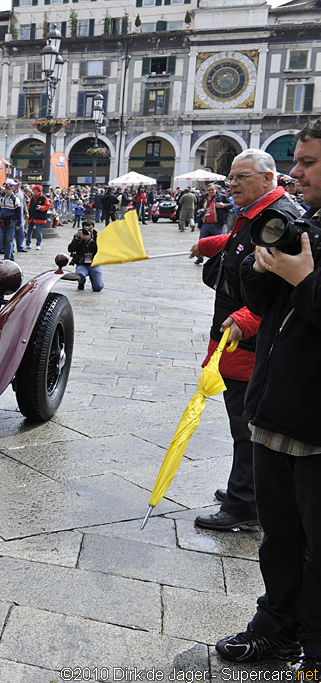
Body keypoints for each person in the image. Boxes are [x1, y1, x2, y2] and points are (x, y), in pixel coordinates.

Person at [214, 119, 321, 680]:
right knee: (279, 538)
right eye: (295, 160)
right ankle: (275, 629)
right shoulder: (307, 224)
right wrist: (266, 267)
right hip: (277, 408)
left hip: (314, 423)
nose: (295, 172)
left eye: (307, 163)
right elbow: (267, 304)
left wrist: (305, 279)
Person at [188, 148, 301, 532]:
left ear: (269, 179)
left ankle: (246, 503)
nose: (232, 183)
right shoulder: (255, 213)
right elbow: (245, 249)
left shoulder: (278, 218)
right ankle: (245, 486)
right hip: (234, 336)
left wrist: (244, 319)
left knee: (247, 424)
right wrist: (213, 245)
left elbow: (279, 286)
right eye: (230, 177)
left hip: (249, 343)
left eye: (242, 177)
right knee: (241, 421)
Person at [196, 184, 233, 261]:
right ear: (207, 190)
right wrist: (199, 210)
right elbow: (199, 206)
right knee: (202, 241)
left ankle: (215, 259)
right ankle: (200, 257)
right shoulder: (204, 197)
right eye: (209, 190)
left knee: (216, 243)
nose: (211, 191)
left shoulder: (221, 197)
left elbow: (231, 205)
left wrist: (224, 206)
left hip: (217, 224)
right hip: (205, 223)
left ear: (216, 189)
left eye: (212, 189)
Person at [68, 219, 103, 292]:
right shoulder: (78, 237)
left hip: (94, 264)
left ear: (93, 228)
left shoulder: (98, 237)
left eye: (90, 229)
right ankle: (81, 283)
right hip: (82, 263)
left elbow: (100, 251)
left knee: (98, 287)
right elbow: (70, 249)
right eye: (86, 229)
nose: (88, 231)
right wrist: (77, 239)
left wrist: (90, 241)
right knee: (80, 274)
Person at [0, 180, 21, 261]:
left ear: (12, 190)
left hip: (11, 222)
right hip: (3, 222)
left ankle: (7, 258)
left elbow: (19, 212)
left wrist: (18, 223)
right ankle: (11, 257)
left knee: (9, 240)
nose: (7, 190)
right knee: (4, 240)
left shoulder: (15, 199)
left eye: (9, 189)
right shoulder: (2, 199)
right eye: (6, 189)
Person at [26, 184, 52, 251]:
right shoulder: (33, 197)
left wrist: (41, 208)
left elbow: (48, 206)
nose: (33, 191)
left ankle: (38, 244)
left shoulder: (43, 198)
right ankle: (28, 243)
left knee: (39, 231)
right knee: (29, 230)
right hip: (32, 216)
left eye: (34, 190)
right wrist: (27, 212)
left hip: (39, 217)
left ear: (38, 191)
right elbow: (29, 205)